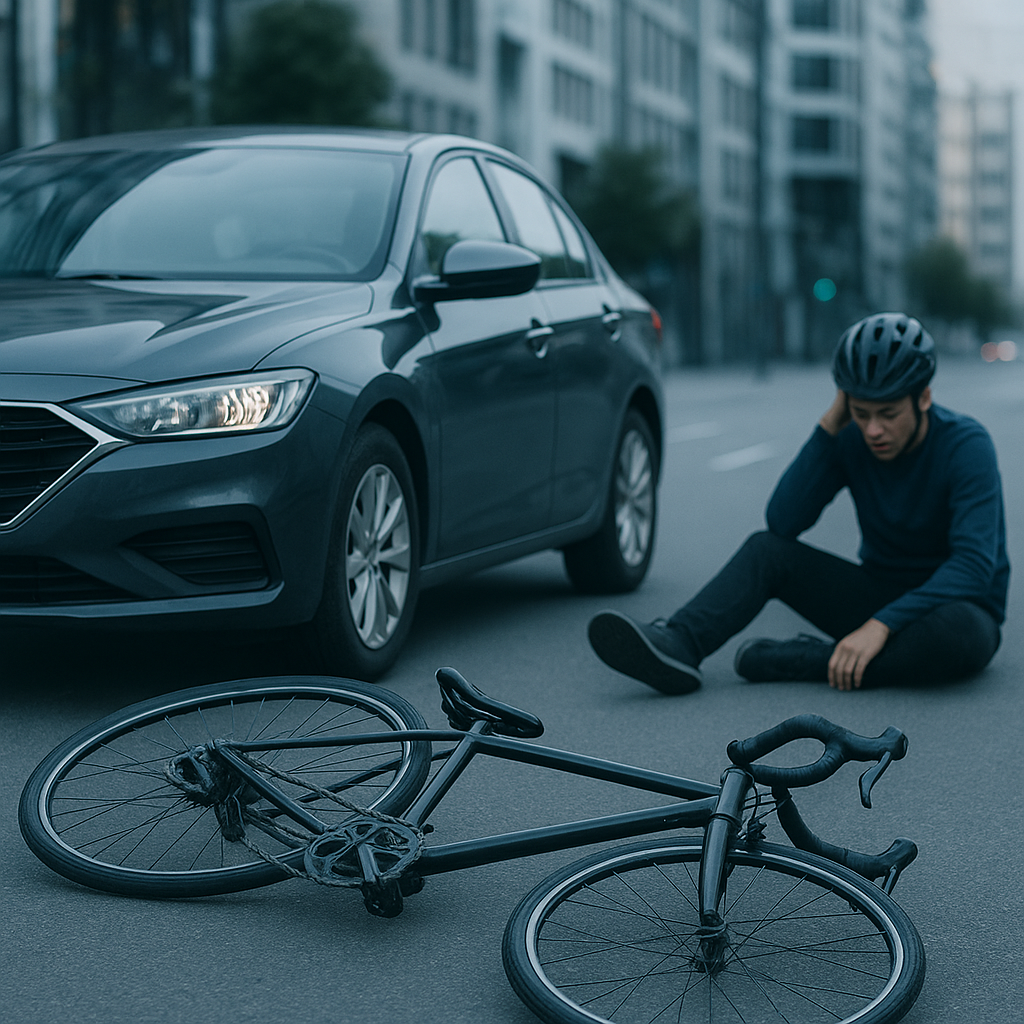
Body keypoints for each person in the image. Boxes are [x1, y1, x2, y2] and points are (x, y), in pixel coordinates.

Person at [588, 312, 1009, 694]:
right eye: (861, 413)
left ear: (924, 398)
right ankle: (680, 642)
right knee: (765, 551)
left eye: (888, 412)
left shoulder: (966, 445)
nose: (874, 429)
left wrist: (882, 625)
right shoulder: (849, 437)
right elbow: (783, 523)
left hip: (952, 607)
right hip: (877, 595)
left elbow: (973, 568)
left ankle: (815, 660)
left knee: (958, 636)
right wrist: (829, 428)